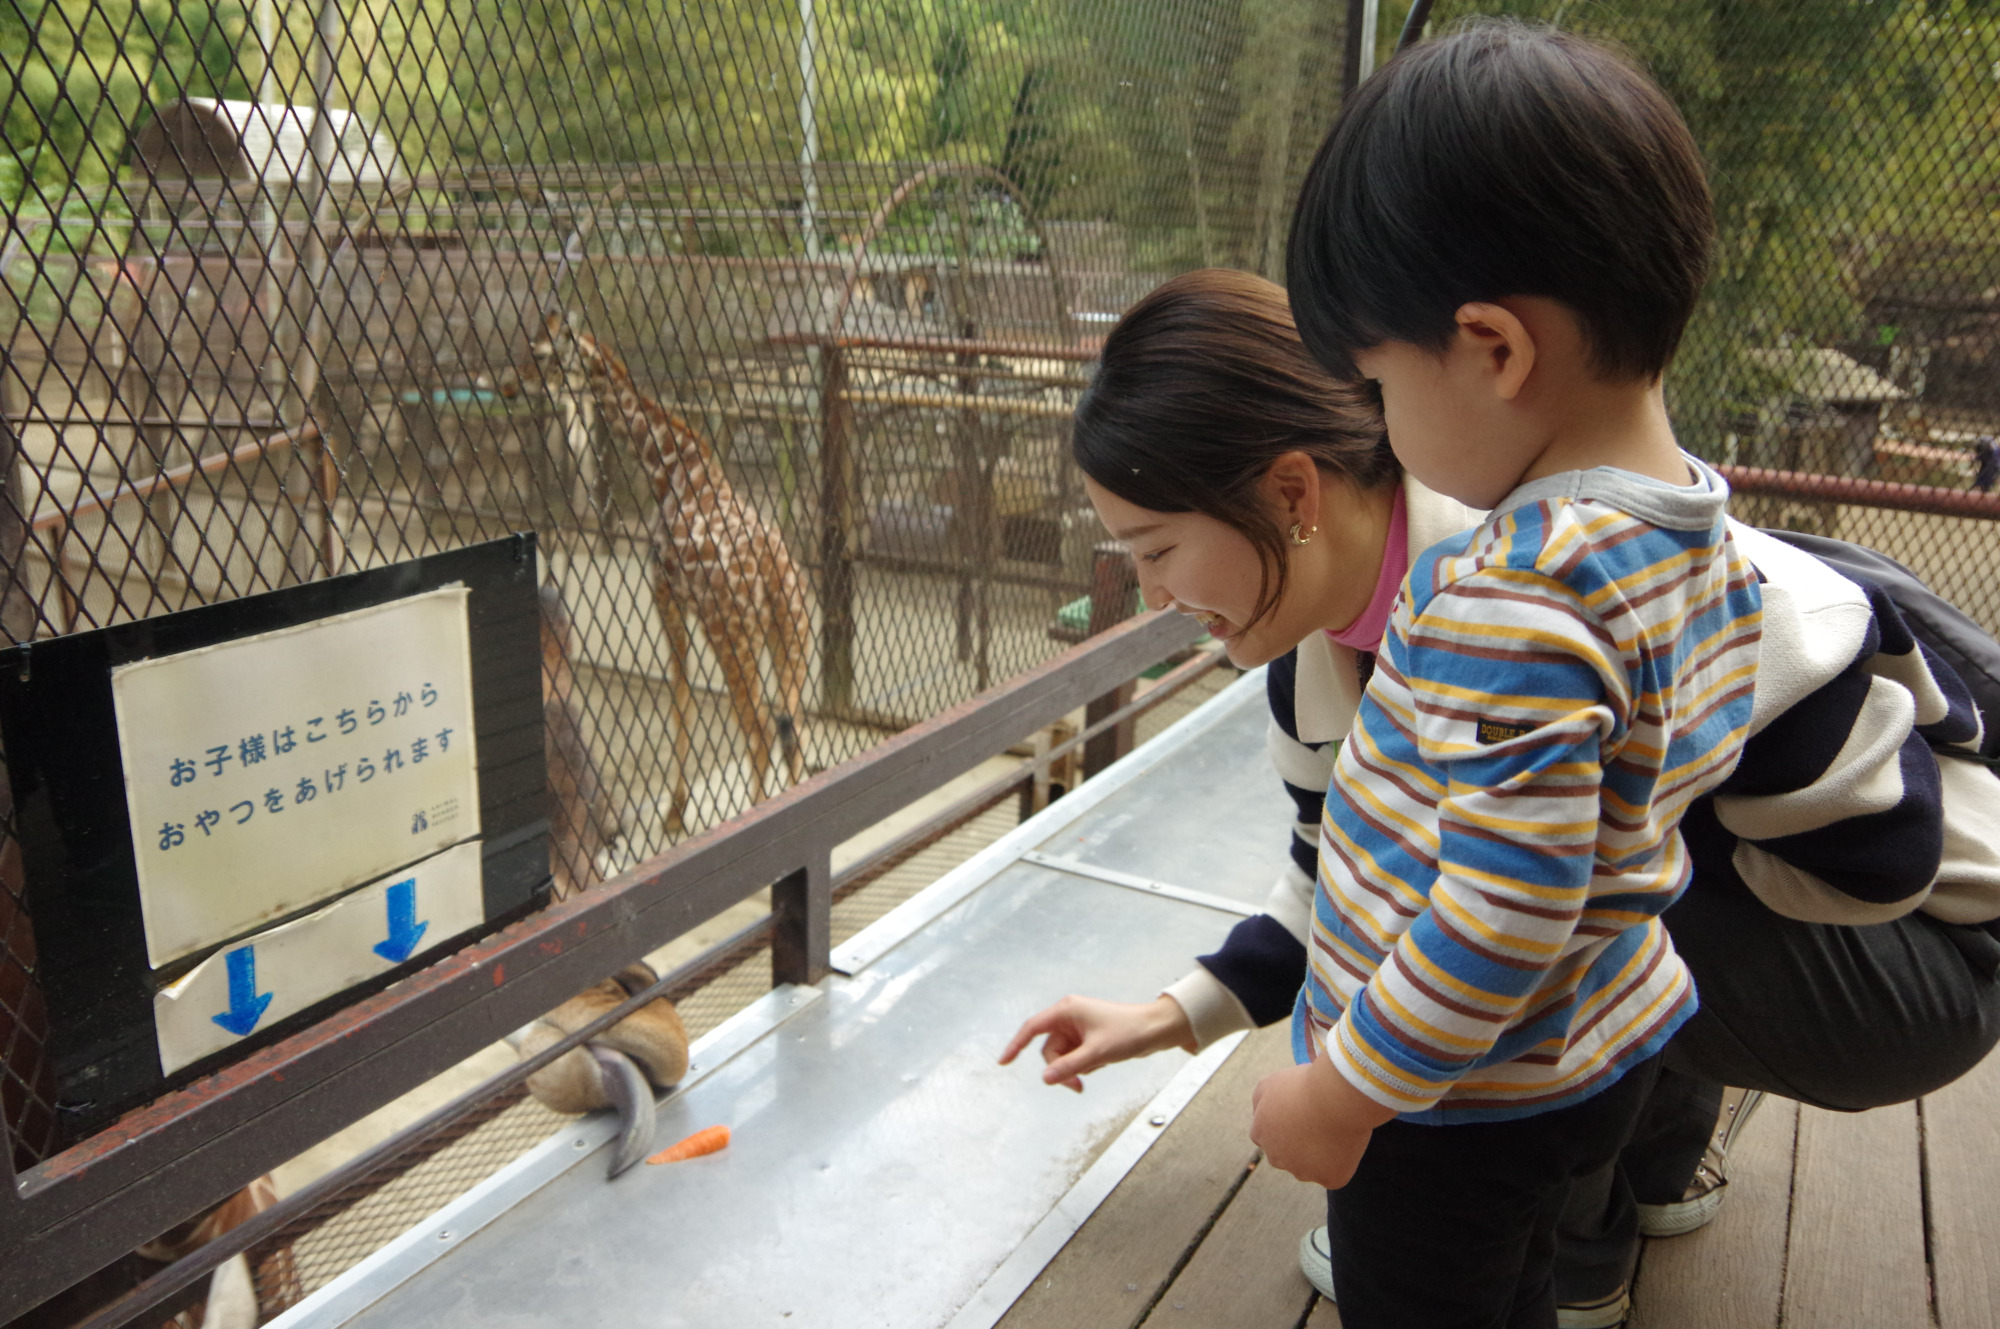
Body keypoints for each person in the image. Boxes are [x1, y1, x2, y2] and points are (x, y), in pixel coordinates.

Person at [1000, 33, 2000, 1327]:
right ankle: (1608, 1161)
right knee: (1571, 848)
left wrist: (1354, 1084)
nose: (1147, 593)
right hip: (1717, 930)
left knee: (1577, 870)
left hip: (1915, 941)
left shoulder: (1522, 598)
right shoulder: (1628, 526)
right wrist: (1172, 1014)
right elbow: (1336, 865)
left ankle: (1593, 1203)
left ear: (1491, 348)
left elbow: (1830, 851)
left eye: (1152, 551)